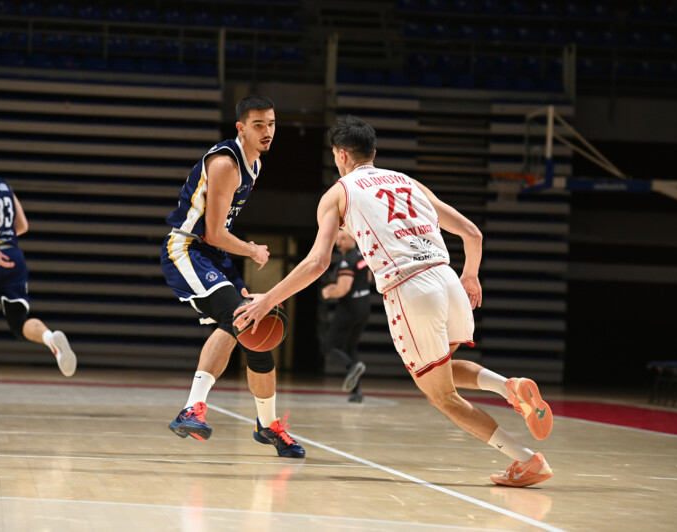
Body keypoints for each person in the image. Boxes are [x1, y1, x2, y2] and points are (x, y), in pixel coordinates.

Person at [235, 116, 554, 486]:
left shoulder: (338, 193)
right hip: (448, 279)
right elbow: (472, 233)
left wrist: (267, 299)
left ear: (341, 155)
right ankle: (507, 386)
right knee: (442, 368)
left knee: (442, 396)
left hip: (410, 288)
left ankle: (526, 460)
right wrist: (470, 275)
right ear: (373, 152)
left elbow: (318, 262)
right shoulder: (408, 181)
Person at [160, 95, 305, 458]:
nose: (267, 131)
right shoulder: (226, 163)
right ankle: (191, 409)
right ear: (241, 128)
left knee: (258, 328)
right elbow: (213, 232)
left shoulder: (255, 165)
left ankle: (267, 425)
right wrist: (252, 250)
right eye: (258, 125)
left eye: (271, 124)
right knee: (237, 317)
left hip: (213, 254)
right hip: (187, 248)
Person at [0, 138, 77, 405]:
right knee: (19, 322)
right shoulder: (4, 185)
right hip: (14, 255)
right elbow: (22, 225)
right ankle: (49, 338)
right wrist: (3, 242)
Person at [320, 229, 371, 402]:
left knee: (330, 347)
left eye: (342, 238)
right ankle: (356, 392)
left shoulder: (346, 261)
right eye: (337, 239)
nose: (338, 243)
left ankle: (352, 365)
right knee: (350, 348)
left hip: (349, 308)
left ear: (353, 238)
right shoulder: (363, 257)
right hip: (365, 306)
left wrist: (328, 292)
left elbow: (343, 289)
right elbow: (368, 278)